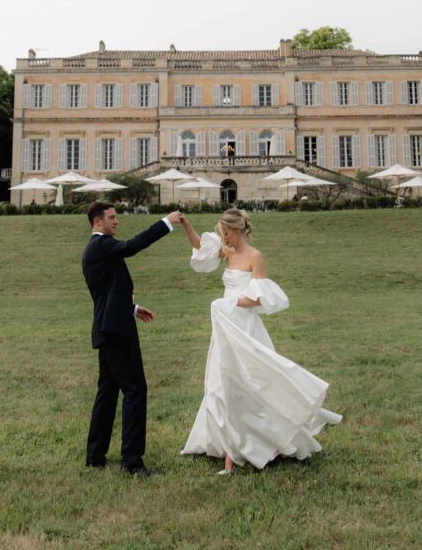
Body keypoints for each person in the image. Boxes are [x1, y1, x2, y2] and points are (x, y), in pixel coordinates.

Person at [178, 207, 341, 474]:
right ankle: (229, 453)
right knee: (222, 383)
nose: (223, 238)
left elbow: (258, 298)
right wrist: (185, 224)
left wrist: (229, 302)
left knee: (254, 383)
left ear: (237, 230)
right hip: (226, 325)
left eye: (226, 233)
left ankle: (265, 440)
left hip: (245, 326)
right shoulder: (227, 251)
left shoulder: (255, 257)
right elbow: (200, 246)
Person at [82, 200, 183, 476]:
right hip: (116, 330)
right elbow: (132, 246)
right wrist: (166, 223)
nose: (116, 221)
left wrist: (134, 309)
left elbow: (107, 292)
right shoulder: (101, 245)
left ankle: (95, 456)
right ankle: (132, 462)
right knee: (135, 390)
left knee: (107, 392)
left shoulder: (98, 250)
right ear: (97, 222)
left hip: (108, 326)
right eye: (111, 217)